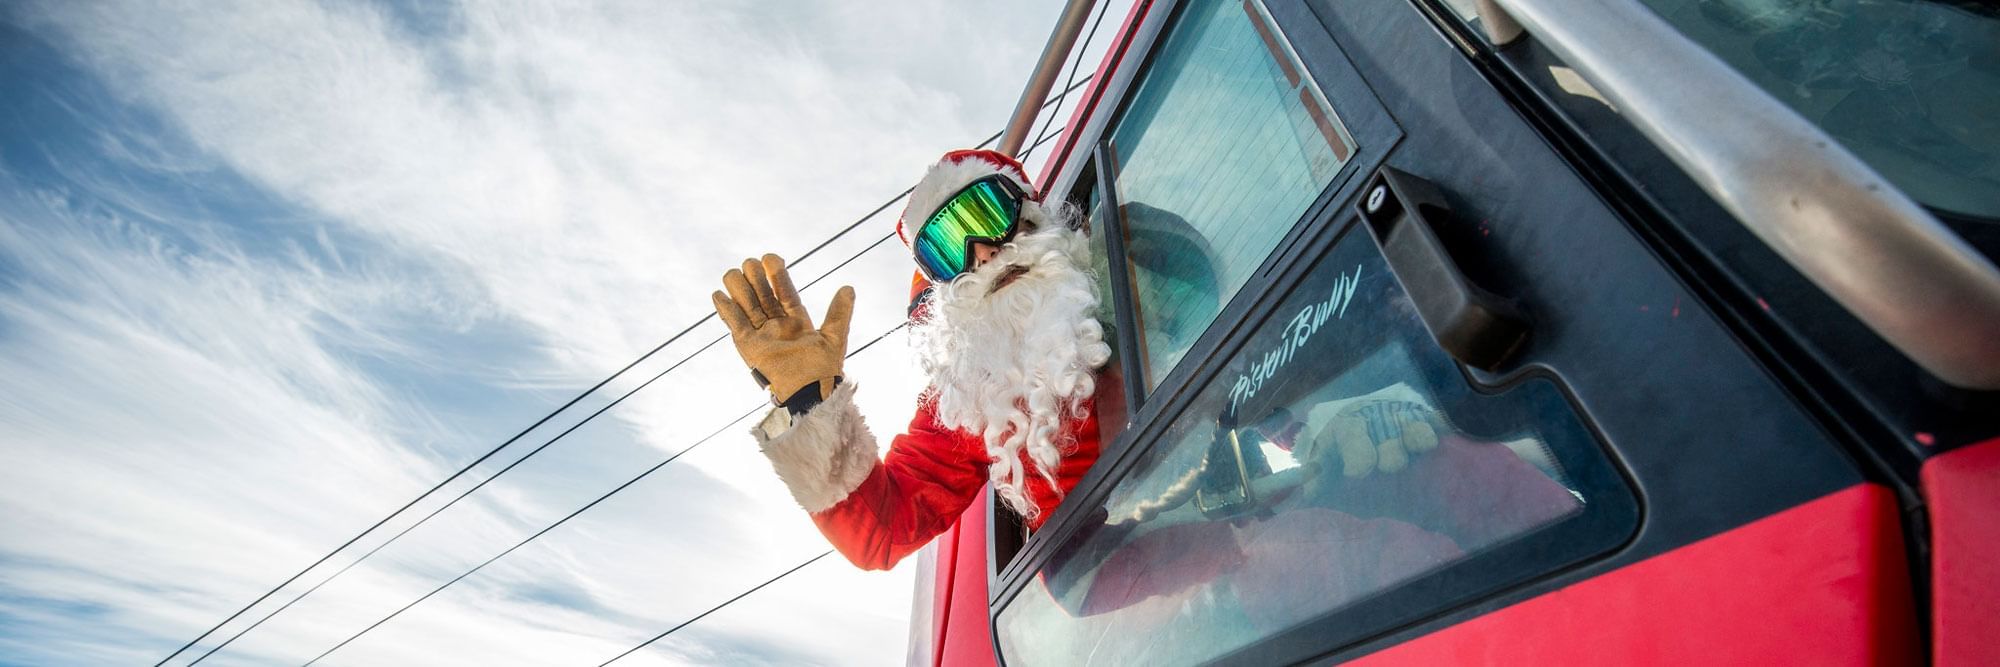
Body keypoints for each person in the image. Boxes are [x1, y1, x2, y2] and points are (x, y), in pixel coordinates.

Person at [710, 149, 1430, 570]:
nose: (982, 253)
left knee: (1425, 493)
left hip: (1252, 505)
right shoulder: (969, 402)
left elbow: (1249, 361)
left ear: (1029, 208)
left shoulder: (1142, 271)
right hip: (1128, 585)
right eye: (946, 247)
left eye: (984, 214)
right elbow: (881, 529)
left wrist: (1334, 413)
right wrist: (808, 401)